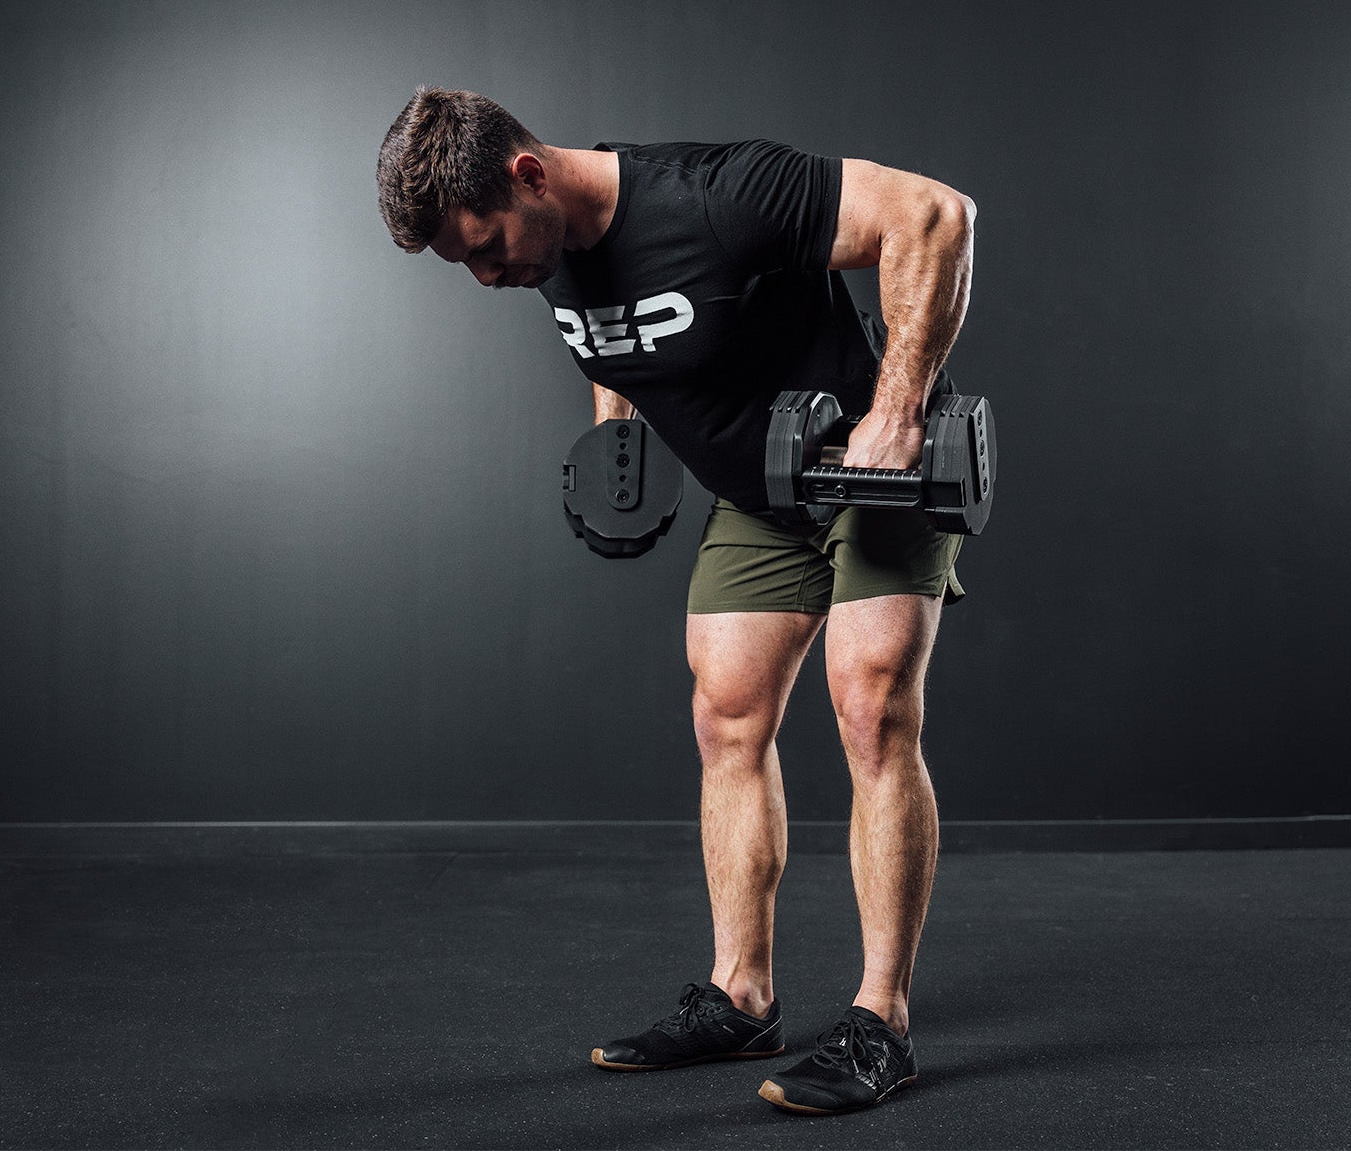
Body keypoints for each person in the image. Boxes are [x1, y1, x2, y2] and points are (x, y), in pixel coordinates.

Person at [375, 87, 975, 1116]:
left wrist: (898, 408)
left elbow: (933, 214)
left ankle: (884, 1022)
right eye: (465, 264)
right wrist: (617, 428)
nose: (486, 278)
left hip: (864, 474)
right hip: (754, 496)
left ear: (529, 174)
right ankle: (742, 997)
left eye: (484, 251)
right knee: (725, 718)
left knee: (870, 712)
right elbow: (610, 331)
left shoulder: (715, 196)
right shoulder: (543, 239)